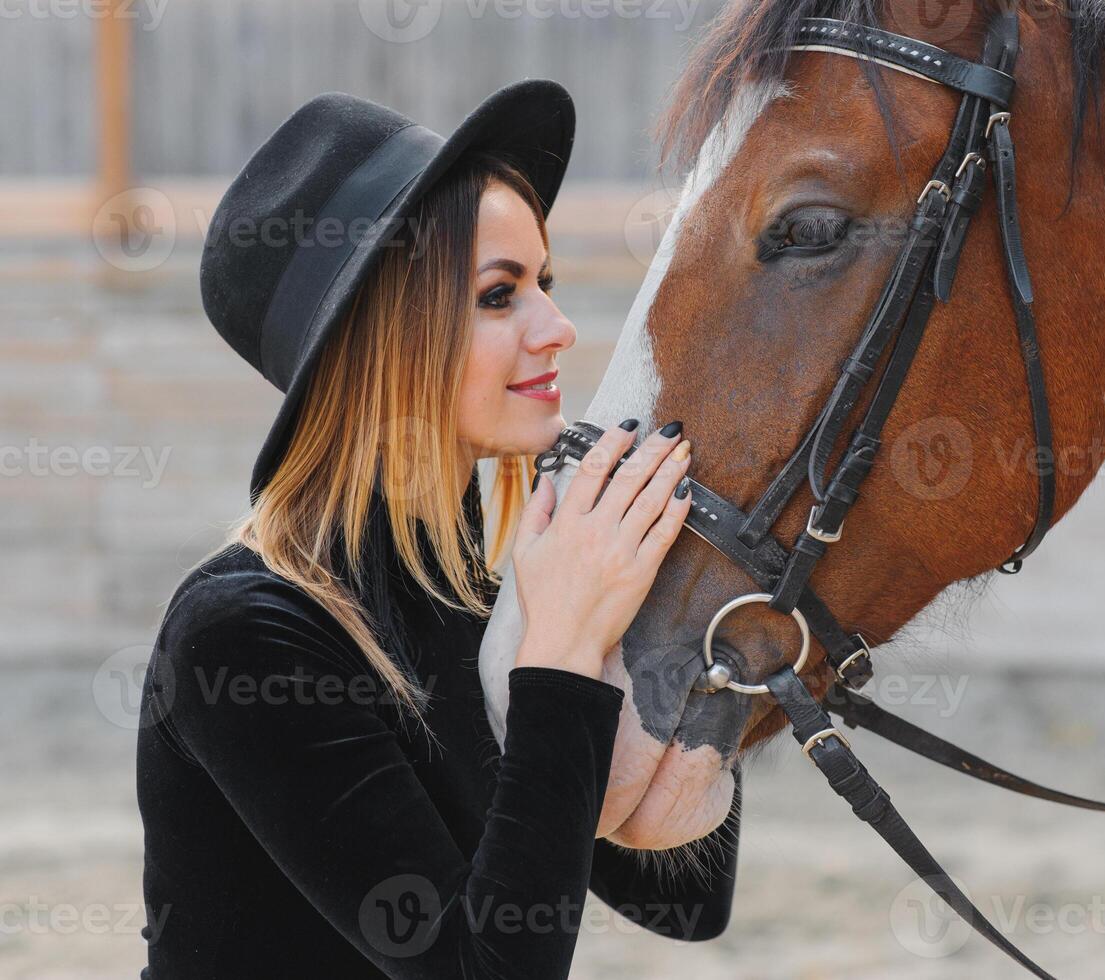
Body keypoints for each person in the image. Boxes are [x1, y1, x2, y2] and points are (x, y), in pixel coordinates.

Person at [134, 80, 739, 979]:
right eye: (500, 297)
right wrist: (565, 644)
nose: (559, 329)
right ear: (385, 339)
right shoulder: (248, 636)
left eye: (545, 283)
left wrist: (689, 606)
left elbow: (685, 901)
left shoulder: (485, 595)